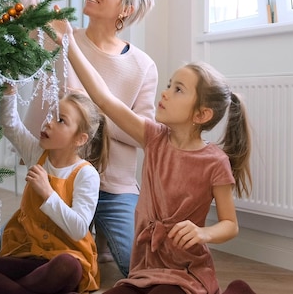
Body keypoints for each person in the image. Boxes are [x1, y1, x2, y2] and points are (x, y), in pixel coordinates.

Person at [48, 18, 257, 294]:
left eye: (178, 89)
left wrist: (203, 233)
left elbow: (230, 224)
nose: (166, 93)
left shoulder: (214, 161)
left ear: (201, 114)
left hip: (186, 272)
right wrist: (68, 42)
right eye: (170, 85)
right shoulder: (155, 138)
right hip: (145, 268)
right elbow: (103, 99)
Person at [15, 0, 158, 278]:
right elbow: (26, 2)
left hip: (113, 185)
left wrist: (88, 112)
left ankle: (98, 238)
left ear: (126, 9)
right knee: (5, 254)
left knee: (140, 267)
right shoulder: (61, 36)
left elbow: (141, 135)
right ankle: (86, 239)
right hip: (59, 180)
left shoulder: (143, 66)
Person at [0, 86, 109, 294]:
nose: (49, 123)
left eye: (60, 120)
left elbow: (79, 228)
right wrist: (9, 94)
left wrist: (48, 193)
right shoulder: (37, 152)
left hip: (65, 256)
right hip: (28, 254)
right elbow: (10, 125)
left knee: (67, 267)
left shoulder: (86, 174)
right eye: (51, 114)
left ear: (80, 139)